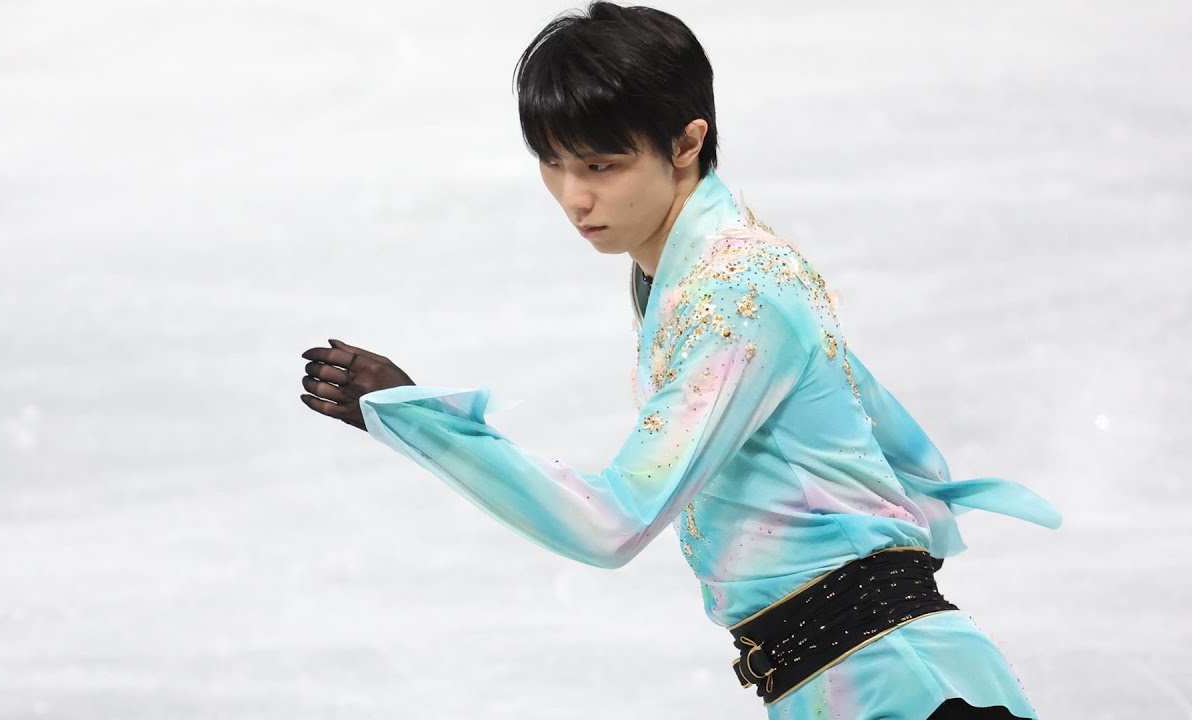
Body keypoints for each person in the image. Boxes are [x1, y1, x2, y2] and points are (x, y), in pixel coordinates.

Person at [299, 3, 1062, 718]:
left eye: (601, 166)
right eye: (553, 164)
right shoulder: (690, 278)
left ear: (687, 143)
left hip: (898, 682)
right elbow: (893, 441)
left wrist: (417, 420)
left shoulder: (737, 292)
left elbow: (611, 524)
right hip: (850, 674)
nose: (573, 197)